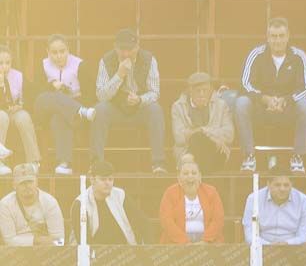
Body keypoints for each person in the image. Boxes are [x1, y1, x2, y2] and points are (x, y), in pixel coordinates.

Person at [235, 17, 306, 173]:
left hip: (287, 108)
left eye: (281, 36)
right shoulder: (256, 54)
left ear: (288, 36)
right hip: (261, 108)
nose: (277, 40)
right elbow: (244, 83)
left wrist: (285, 100)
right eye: (274, 36)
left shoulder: (299, 56)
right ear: (267, 37)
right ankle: (249, 155)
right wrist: (265, 99)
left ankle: (298, 156)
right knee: (241, 103)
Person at [92, 28, 166, 174]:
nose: (126, 54)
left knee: (156, 110)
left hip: (139, 109)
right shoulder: (106, 60)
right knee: (99, 109)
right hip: (115, 108)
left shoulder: (149, 59)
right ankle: (96, 164)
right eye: (122, 49)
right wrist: (119, 75)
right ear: (115, 47)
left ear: (137, 46)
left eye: (130, 49)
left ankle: (158, 163)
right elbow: (101, 95)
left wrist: (140, 100)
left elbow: (155, 92)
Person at [31, 34, 96, 177]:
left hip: (69, 113)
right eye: (54, 53)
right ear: (47, 52)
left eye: (62, 51)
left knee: (59, 117)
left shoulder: (80, 65)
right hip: (45, 110)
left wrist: (70, 98)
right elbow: (35, 92)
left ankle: (64, 163)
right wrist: (52, 86)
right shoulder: (42, 65)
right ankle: (80, 111)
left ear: (68, 50)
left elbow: (90, 95)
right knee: (44, 97)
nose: (59, 56)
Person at [66, 160, 145, 245]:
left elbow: (142, 221)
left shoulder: (120, 195)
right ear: (92, 180)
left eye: (110, 179)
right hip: (92, 252)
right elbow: (83, 240)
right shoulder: (80, 203)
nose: (107, 183)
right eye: (103, 179)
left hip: (122, 250)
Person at [170, 72, 234, 176]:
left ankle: (194, 165)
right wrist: (211, 136)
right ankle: (201, 175)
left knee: (198, 137)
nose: (202, 94)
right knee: (197, 138)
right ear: (190, 91)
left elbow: (229, 134)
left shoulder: (221, 105)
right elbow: (179, 137)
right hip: (187, 151)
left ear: (211, 90)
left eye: (205, 91)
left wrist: (202, 131)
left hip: (216, 153)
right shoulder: (178, 106)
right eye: (198, 91)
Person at [159, 155, 224, 244]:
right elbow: (167, 221)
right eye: (185, 174)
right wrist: (184, 242)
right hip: (178, 243)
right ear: (179, 178)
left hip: (208, 242)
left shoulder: (211, 191)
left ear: (200, 177)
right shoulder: (170, 193)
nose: (190, 176)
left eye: (194, 173)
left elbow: (218, 219)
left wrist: (205, 241)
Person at [0, 163, 64, 246]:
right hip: (17, 253)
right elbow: (9, 241)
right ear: (14, 185)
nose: (27, 186)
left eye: (30, 181)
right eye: (22, 183)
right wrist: (37, 240)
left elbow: (60, 241)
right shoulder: (5, 205)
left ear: (37, 182)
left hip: (45, 252)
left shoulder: (50, 202)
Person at [0, 46, 40, 176]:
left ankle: (33, 161)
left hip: (14, 111)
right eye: (0, 63)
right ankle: (0, 161)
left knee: (23, 117)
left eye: (8, 63)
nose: (4, 66)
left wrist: (21, 106)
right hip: (1, 113)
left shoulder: (18, 76)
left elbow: (30, 97)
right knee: (2, 116)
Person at [242, 170, 306, 244]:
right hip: (261, 246)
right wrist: (268, 245)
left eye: (286, 185)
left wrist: (288, 243)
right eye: (277, 185)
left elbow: (304, 235)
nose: (282, 189)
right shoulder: (254, 199)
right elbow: (250, 234)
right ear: (268, 184)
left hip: (293, 247)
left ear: (292, 184)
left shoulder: (303, 200)